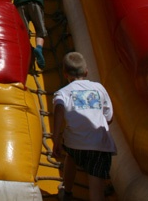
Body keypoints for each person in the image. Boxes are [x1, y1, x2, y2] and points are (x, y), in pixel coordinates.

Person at [52, 52, 116, 201]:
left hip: (74, 144)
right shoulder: (99, 88)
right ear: (86, 72)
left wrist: (56, 139)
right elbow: (109, 118)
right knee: (96, 188)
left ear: (65, 74)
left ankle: (67, 191)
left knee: (71, 156)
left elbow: (59, 110)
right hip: (98, 146)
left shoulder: (62, 93)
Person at [7, 0, 48, 69]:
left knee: (24, 33)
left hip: (20, 4)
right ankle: (39, 48)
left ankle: (29, 52)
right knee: (40, 30)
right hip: (36, 2)